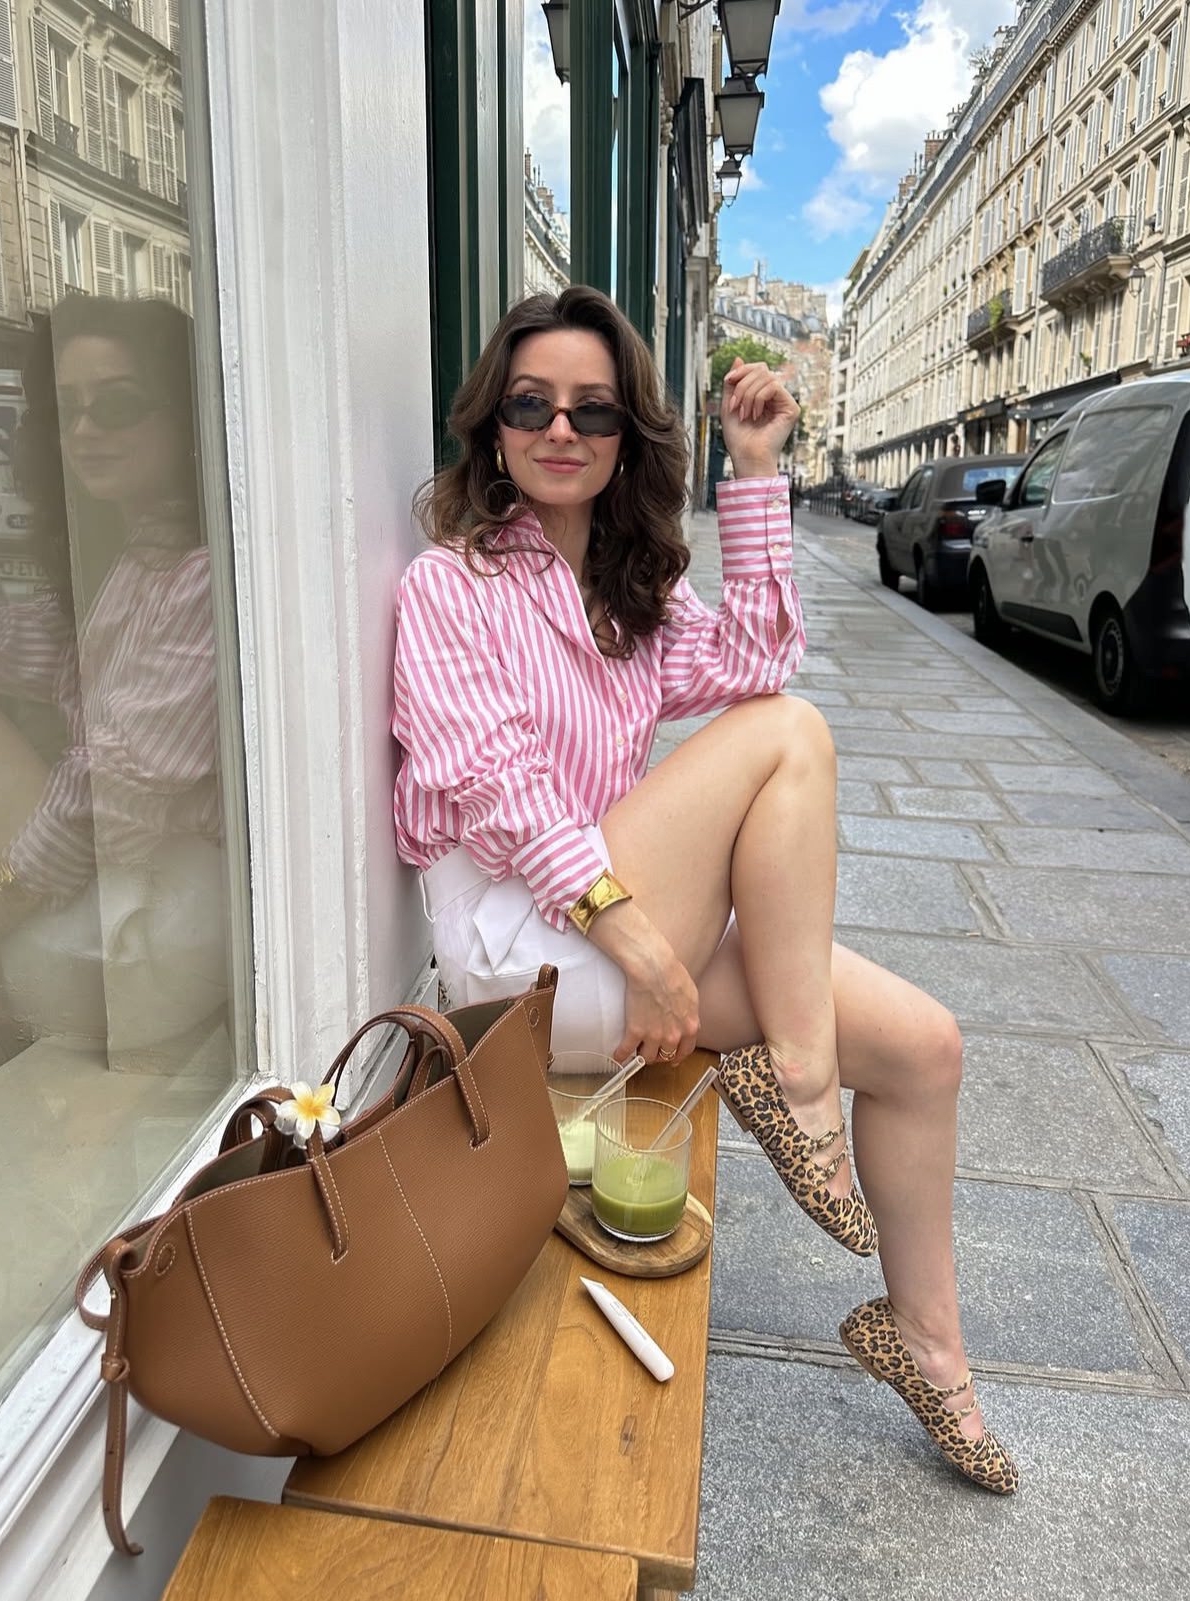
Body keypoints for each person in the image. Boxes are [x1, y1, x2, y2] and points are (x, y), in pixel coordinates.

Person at [392, 286, 1018, 1495]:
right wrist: (650, 948)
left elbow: (757, 657)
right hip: (519, 961)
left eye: (594, 409)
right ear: (492, 424)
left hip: (611, 945)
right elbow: (500, 788)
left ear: (631, 434)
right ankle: (797, 1080)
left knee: (929, 1048)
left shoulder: (631, 595)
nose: (560, 428)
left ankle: (929, 1347)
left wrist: (755, 470)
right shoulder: (449, 584)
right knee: (787, 739)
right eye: (531, 403)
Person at [0, 297, 227, 1087]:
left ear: (183, 416)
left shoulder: (203, 581)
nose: (88, 431)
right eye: (69, 410)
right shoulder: (127, 571)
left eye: (120, 404)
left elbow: (113, 786)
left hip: (150, 941)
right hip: (131, 915)